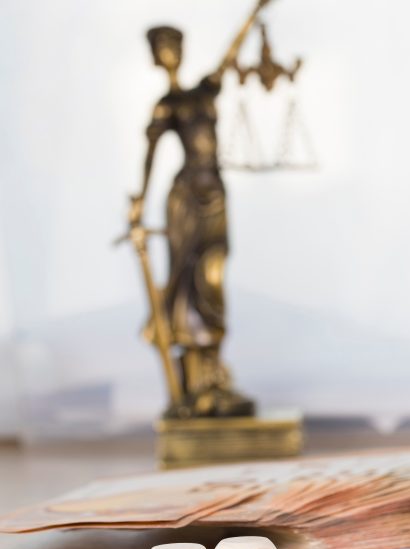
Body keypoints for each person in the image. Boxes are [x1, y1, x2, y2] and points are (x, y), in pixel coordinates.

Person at [129, 1, 269, 418]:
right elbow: (149, 157)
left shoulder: (205, 90)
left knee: (212, 279)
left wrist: (253, 14)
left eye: (173, 44)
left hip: (215, 194)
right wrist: (138, 200)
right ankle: (195, 384)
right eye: (162, 47)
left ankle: (213, 376)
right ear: (157, 56)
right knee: (187, 283)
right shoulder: (166, 105)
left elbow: (230, 54)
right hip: (186, 198)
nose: (169, 52)